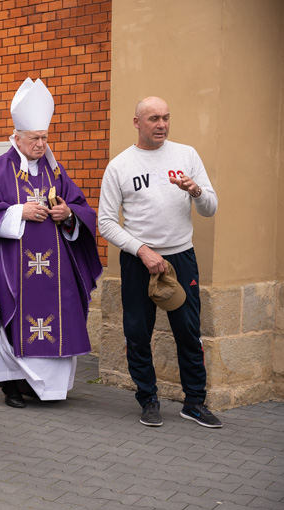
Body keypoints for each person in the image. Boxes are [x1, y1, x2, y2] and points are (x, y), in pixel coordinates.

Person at [0, 78, 102, 409]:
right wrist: (19, 211)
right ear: (17, 137)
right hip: (13, 266)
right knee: (12, 320)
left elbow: (81, 207)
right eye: (35, 138)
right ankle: (12, 386)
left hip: (55, 270)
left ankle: (44, 386)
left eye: (45, 137)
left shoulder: (55, 171)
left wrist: (67, 213)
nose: (41, 143)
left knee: (57, 317)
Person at [99, 96, 222, 428]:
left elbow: (210, 207)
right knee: (138, 332)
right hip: (138, 260)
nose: (162, 124)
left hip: (181, 257)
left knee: (188, 332)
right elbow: (106, 222)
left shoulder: (187, 155)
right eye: (154, 118)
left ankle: (194, 402)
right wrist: (142, 250)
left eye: (166, 117)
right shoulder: (120, 165)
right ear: (137, 122)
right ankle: (148, 399)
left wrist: (196, 191)